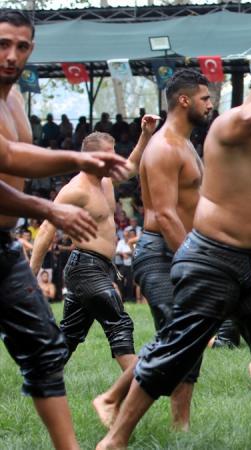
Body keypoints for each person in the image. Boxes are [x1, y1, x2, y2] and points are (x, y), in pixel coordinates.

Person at [98, 60, 251, 450]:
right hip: (211, 258)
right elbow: (163, 210)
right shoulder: (231, 125)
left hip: (249, 263)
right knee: (177, 349)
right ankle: (114, 441)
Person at [0, 11, 130, 450]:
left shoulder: (13, 98)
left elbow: (15, 155)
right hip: (72, 262)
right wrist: (47, 207)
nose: (11, 56)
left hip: (3, 247)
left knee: (46, 348)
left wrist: (78, 159)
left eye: (21, 46)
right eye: (2, 44)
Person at [92, 70, 213, 432]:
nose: (211, 104)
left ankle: (181, 426)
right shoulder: (165, 147)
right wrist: (193, 258)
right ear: (184, 100)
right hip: (161, 251)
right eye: (206, 98)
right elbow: (163, 214)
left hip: (182, 247)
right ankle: (111, 398)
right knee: (176, 335)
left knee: (188, 339)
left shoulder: (187, 143)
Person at [28, 115, 159, 373]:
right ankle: (136, 387)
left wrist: (145, 134)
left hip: (99, 267)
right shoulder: (74, 190)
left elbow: (131, 166)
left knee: (69, 335)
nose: (114, 159)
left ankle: (40, 375)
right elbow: (46, 229)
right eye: (109, 155)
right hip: (85, 268)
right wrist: (30, 273)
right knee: (119, 323)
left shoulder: (107, 182)